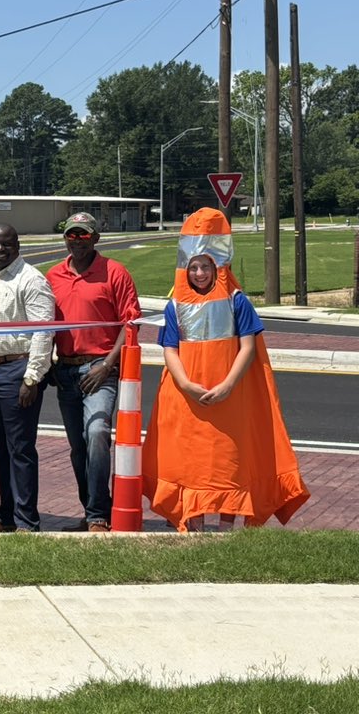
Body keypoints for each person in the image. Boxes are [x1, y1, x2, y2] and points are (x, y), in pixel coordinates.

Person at [142, 208, 310, 532]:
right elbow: (169, 349)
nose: (201, 273)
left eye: (206, 266)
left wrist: (229, 385)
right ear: (185, 269)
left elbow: (247, 347)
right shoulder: (175, 305)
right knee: (190, 462)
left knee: (228, 462)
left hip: (229, 399)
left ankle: (226, 525)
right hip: (188, 397)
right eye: (194, 267)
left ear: (218, 267)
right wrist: (186, 384)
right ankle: (194, 522)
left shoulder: (237, 300)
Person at [46, 212, 141, 533]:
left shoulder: (115, 272)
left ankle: (99, 514)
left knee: (98, 434)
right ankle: (91, 510)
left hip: (100, 369)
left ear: (96, 238)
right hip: (66, 371)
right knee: (78, 447)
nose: (76, 241)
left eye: (83, 236)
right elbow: (45, 326)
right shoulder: (53, 276)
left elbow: (130, 324)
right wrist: (47, 364)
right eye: (71, 235)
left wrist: (107, 365)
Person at [0, 223, 55, 533]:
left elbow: (43, 331)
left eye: (6, 244)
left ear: (17, 245)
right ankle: (6, 513)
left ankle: (26, 520)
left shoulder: (31, 280)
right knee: (0, 447)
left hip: (18, 370)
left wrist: (32, 378)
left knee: (20, 448)